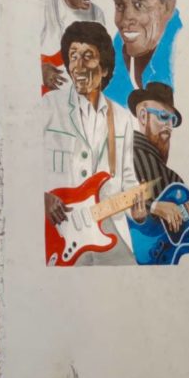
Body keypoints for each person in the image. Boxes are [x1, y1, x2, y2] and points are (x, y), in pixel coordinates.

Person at [44, 21, 147, 265]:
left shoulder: (121, 117)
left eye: (87, 57)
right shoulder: (49, 108)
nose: (77, 66)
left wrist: (139, 213)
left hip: (110, 232)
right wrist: (43, 198)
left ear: (104, 69)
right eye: (73, 56)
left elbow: (128, 180)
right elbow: (24, 167)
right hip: (63, 232)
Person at [127, 82, 189, 264]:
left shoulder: (174, 179)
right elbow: (112, 200)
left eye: (173, 120)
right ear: (143, 116)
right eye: (163, 116)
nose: (169, 126)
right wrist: (153, 208)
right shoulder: (126, 158)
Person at [101, 0, 183, 107]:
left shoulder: (182, 51)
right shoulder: (114, 50)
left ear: (168, 7)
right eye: (119, 5)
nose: (125, 19)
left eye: (139, 5)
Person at [38, 0, 107, 92]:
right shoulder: (44, 8)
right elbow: (22, 53)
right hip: (52, 94)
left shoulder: (97, 14)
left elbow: (103, 57)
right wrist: (41, 69)